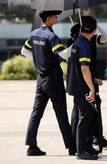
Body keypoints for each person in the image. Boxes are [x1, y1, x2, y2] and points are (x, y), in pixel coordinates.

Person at [21, 10, 75, 156]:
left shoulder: (34, 34)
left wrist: (40, 61)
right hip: (53, 80)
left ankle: (31, 146)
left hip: (41, 79)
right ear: (49, 18)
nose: (57, 18)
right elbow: (63, 55)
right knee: (61, 114)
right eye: (55, 16)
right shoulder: (52, 36)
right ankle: (72, 147)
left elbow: (24, 51)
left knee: (36, 113)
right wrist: (75, 46)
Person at [68, 24, 107, 153]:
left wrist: (95, 26)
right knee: (83, 115)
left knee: (82, 114)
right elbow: (82, 68)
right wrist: (91, 86)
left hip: (84, 82)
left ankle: (83, 144)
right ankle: (81, 146)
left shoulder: (88, 41)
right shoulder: (76, 44)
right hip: (83, 85)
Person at [67, 16, 100, 160]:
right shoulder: (85, 45)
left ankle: (85, 147)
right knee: (85, 117)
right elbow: (85, 68)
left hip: (76, 84)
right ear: (94, 31)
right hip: (83, 87)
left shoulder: (76, 42)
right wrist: (92, 88)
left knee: (86, 116)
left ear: (81, 29)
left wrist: (93, 80)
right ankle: (81, 151)